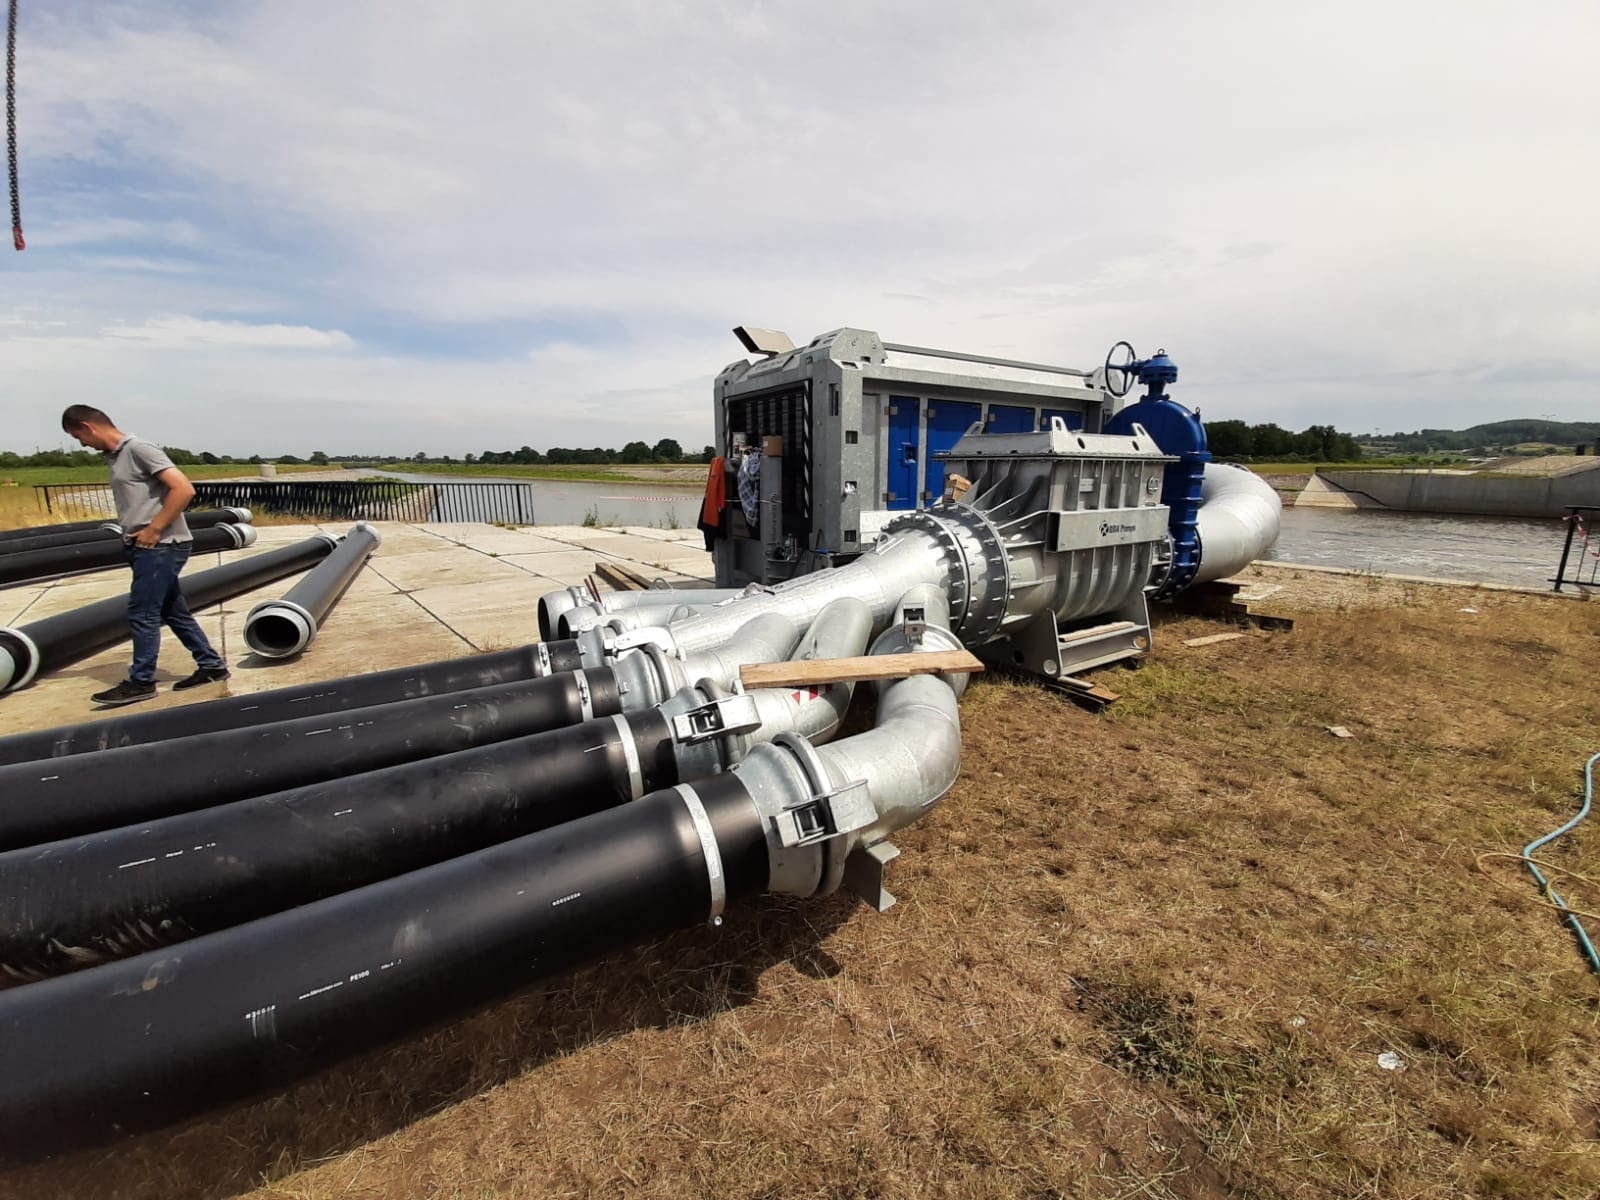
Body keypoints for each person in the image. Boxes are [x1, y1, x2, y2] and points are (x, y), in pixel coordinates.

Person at [60, 405, 231, 706]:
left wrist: (154, 528)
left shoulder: (139, 449)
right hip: (146, 546)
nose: (82, 444)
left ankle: (141, 682)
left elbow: (183, 489)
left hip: (161, 545)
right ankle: (211, 666)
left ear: (88, 427)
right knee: (172, 611)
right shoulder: (116, 456)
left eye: (78, 437)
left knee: (142, 613)